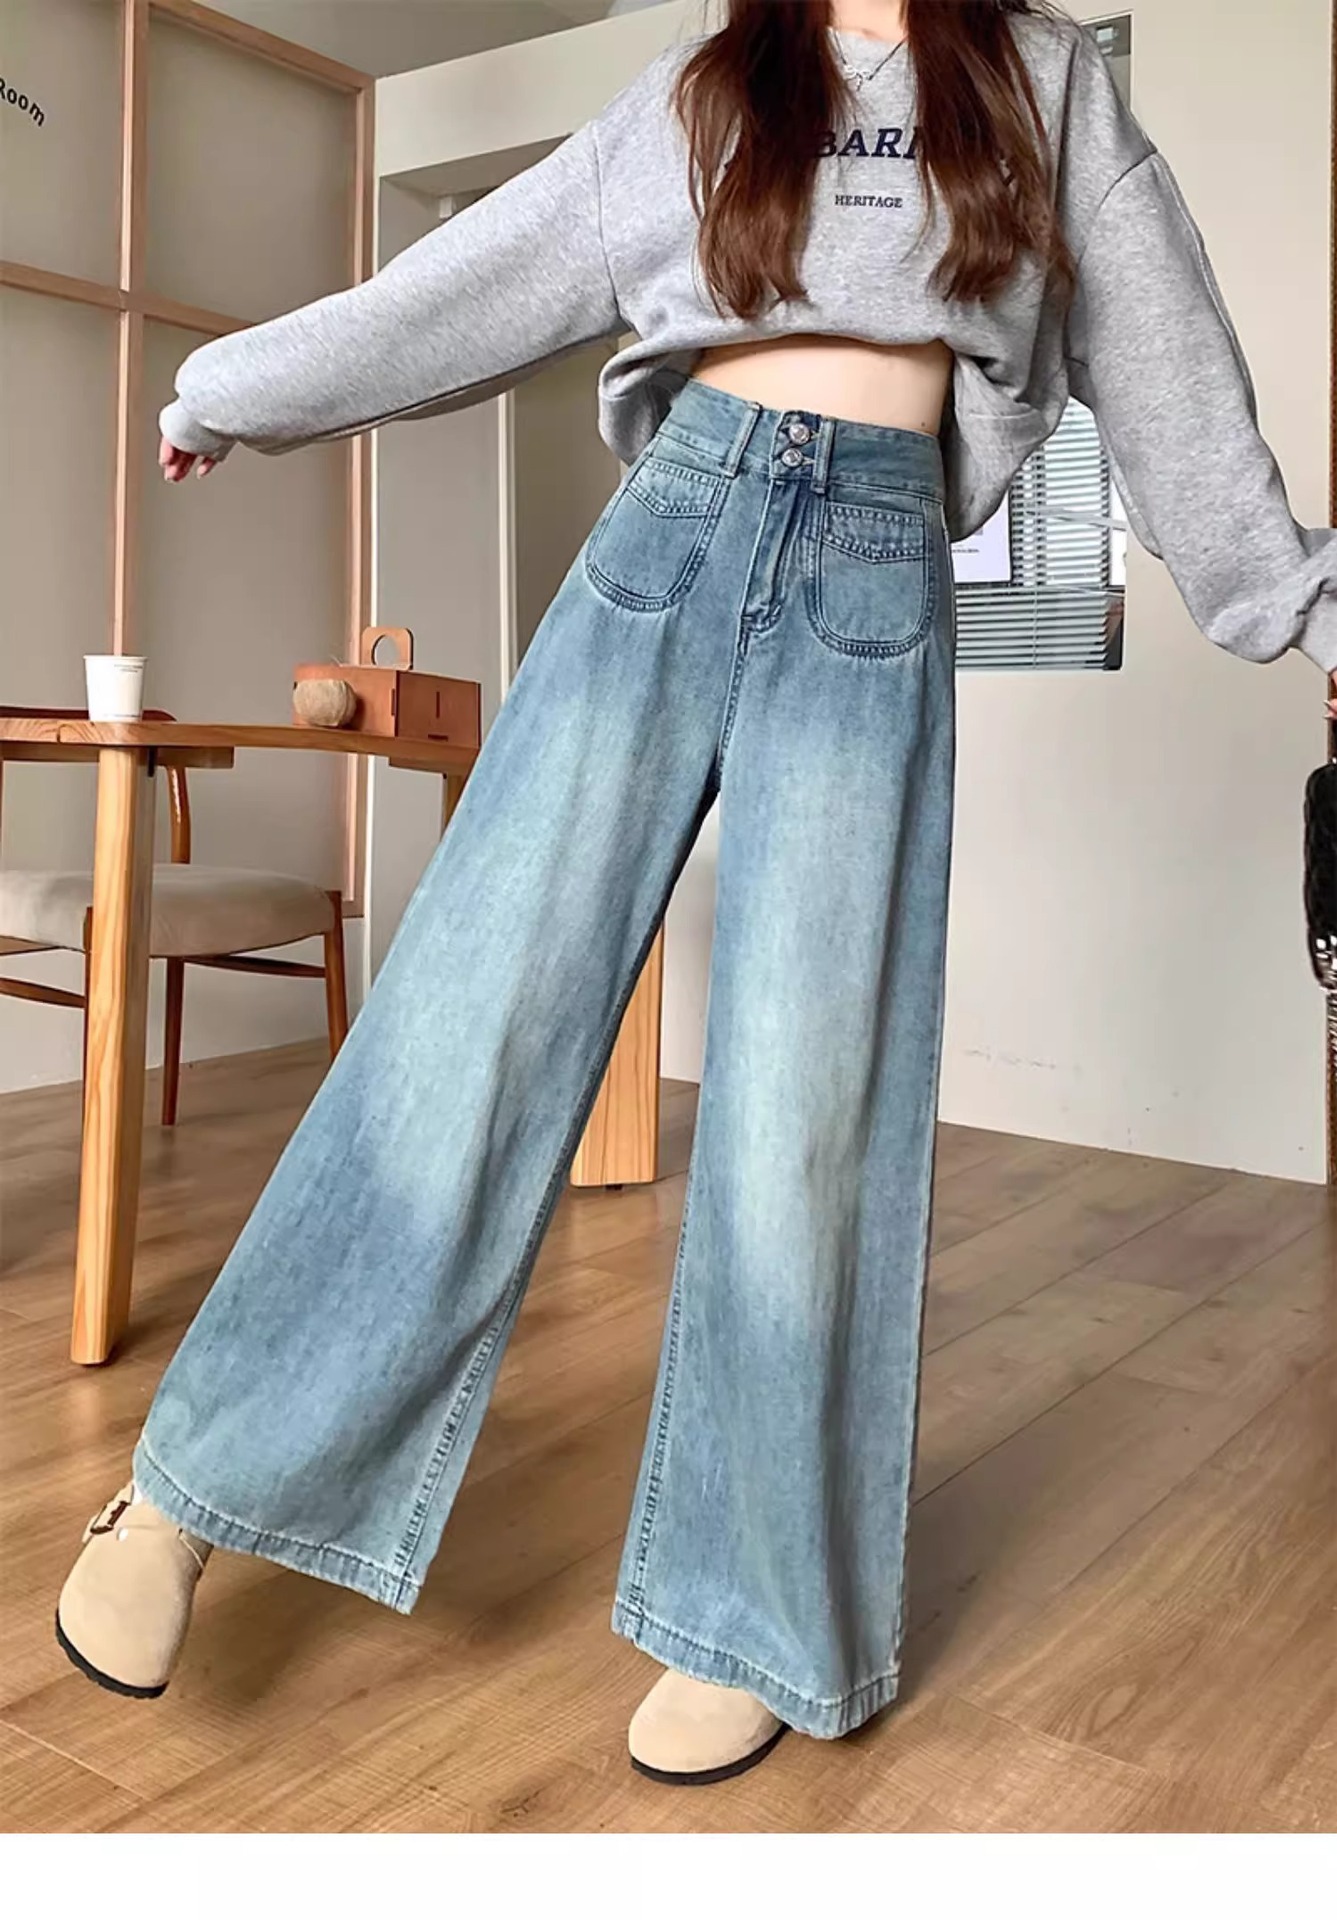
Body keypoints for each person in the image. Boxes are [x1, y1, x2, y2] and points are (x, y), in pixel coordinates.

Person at [56, 0, 1337, 1787]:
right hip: (672, 527)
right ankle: (188, 1498)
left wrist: (1296, 604)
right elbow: (474, 283)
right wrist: (229, 392)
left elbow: (1168, 364)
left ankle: (748, 1606)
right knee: (468, 1026)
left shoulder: (1044, 84)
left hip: (876, 570)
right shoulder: (709, 87)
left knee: (810, 1106)